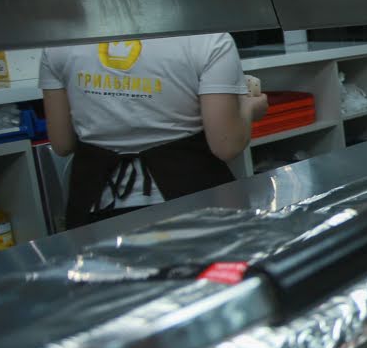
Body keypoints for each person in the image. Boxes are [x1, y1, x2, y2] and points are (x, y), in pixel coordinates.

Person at [40, 34, 270, 227]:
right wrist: (248, 107)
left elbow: (62, 144)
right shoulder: (209, 39)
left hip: (97, 207)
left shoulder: (58, 41)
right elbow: (226, 144)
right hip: (190, 202)